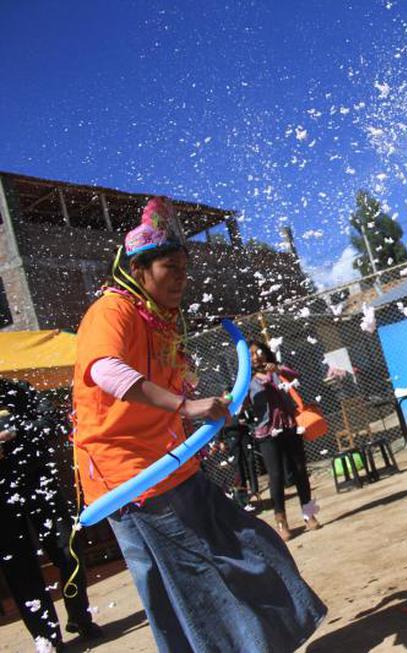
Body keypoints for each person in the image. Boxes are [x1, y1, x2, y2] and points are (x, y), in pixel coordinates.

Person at [72, 197, 326, 651]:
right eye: (171, 267)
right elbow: (106, 372)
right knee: (195, 587)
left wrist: (198, 408)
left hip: (172, 465)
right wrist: (185, 408)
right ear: (141, 268)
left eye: (185, 269)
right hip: (129, 477)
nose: (181, 280)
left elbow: (174, 389)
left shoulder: (163, 322)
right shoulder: (113, 311)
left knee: (251, 548)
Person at [1, 378, 101, 651]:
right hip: (2, 502)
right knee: (20, 570)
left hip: (39, 484)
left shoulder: (17, 390)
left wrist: (16, 431)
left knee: (68, 549)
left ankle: (80, 617)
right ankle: (47, 638)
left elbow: (51, 421)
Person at [248, 340, 320, 540]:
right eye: (251, 354)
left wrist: (278, 369)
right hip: (267, 432)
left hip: (289, 426)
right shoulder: (246, 380)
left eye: (259, 352)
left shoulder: (277, 371)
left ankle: (309, 513)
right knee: (276, 475)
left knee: (299, 469)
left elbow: (296, 376)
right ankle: (282, 522)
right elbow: (240, 403)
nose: (256, 357)